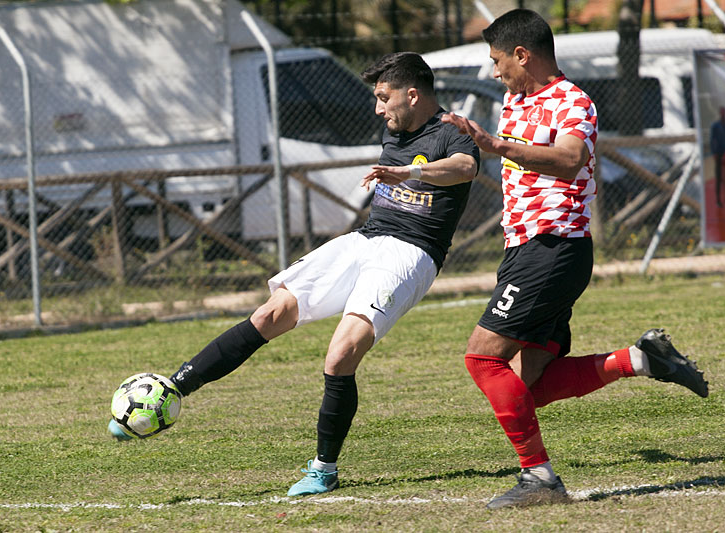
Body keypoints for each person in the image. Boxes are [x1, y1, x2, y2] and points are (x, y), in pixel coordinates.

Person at [108, 52, 480, 496]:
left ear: (412, 94)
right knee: (272, 312)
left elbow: (466, 169)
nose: (378, 109)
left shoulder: (451, 131)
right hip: (365, 238)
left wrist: (407, 171)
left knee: (341, 354)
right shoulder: (394, 127)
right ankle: (173, 389)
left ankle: (324, 469)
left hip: (411, 252)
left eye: (384, 98)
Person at [441, 9, 709, 509]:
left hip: (553, 247)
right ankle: (640, 359)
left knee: (482, 359)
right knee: (526, 387)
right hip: (526, 249)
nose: (496, 71)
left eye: (499, 61)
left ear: (523, 55)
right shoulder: (513, 99)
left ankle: (539, 480)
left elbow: (569, 160)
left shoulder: (573, 101)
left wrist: (499, 146)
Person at [710, 106, 725, 207]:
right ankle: (718, 199)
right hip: (719, 154)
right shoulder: (715, 126)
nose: (723, 113)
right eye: (722, 112)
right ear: (720, 113)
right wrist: (714, 152)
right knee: (719, 177)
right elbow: (712, 140)